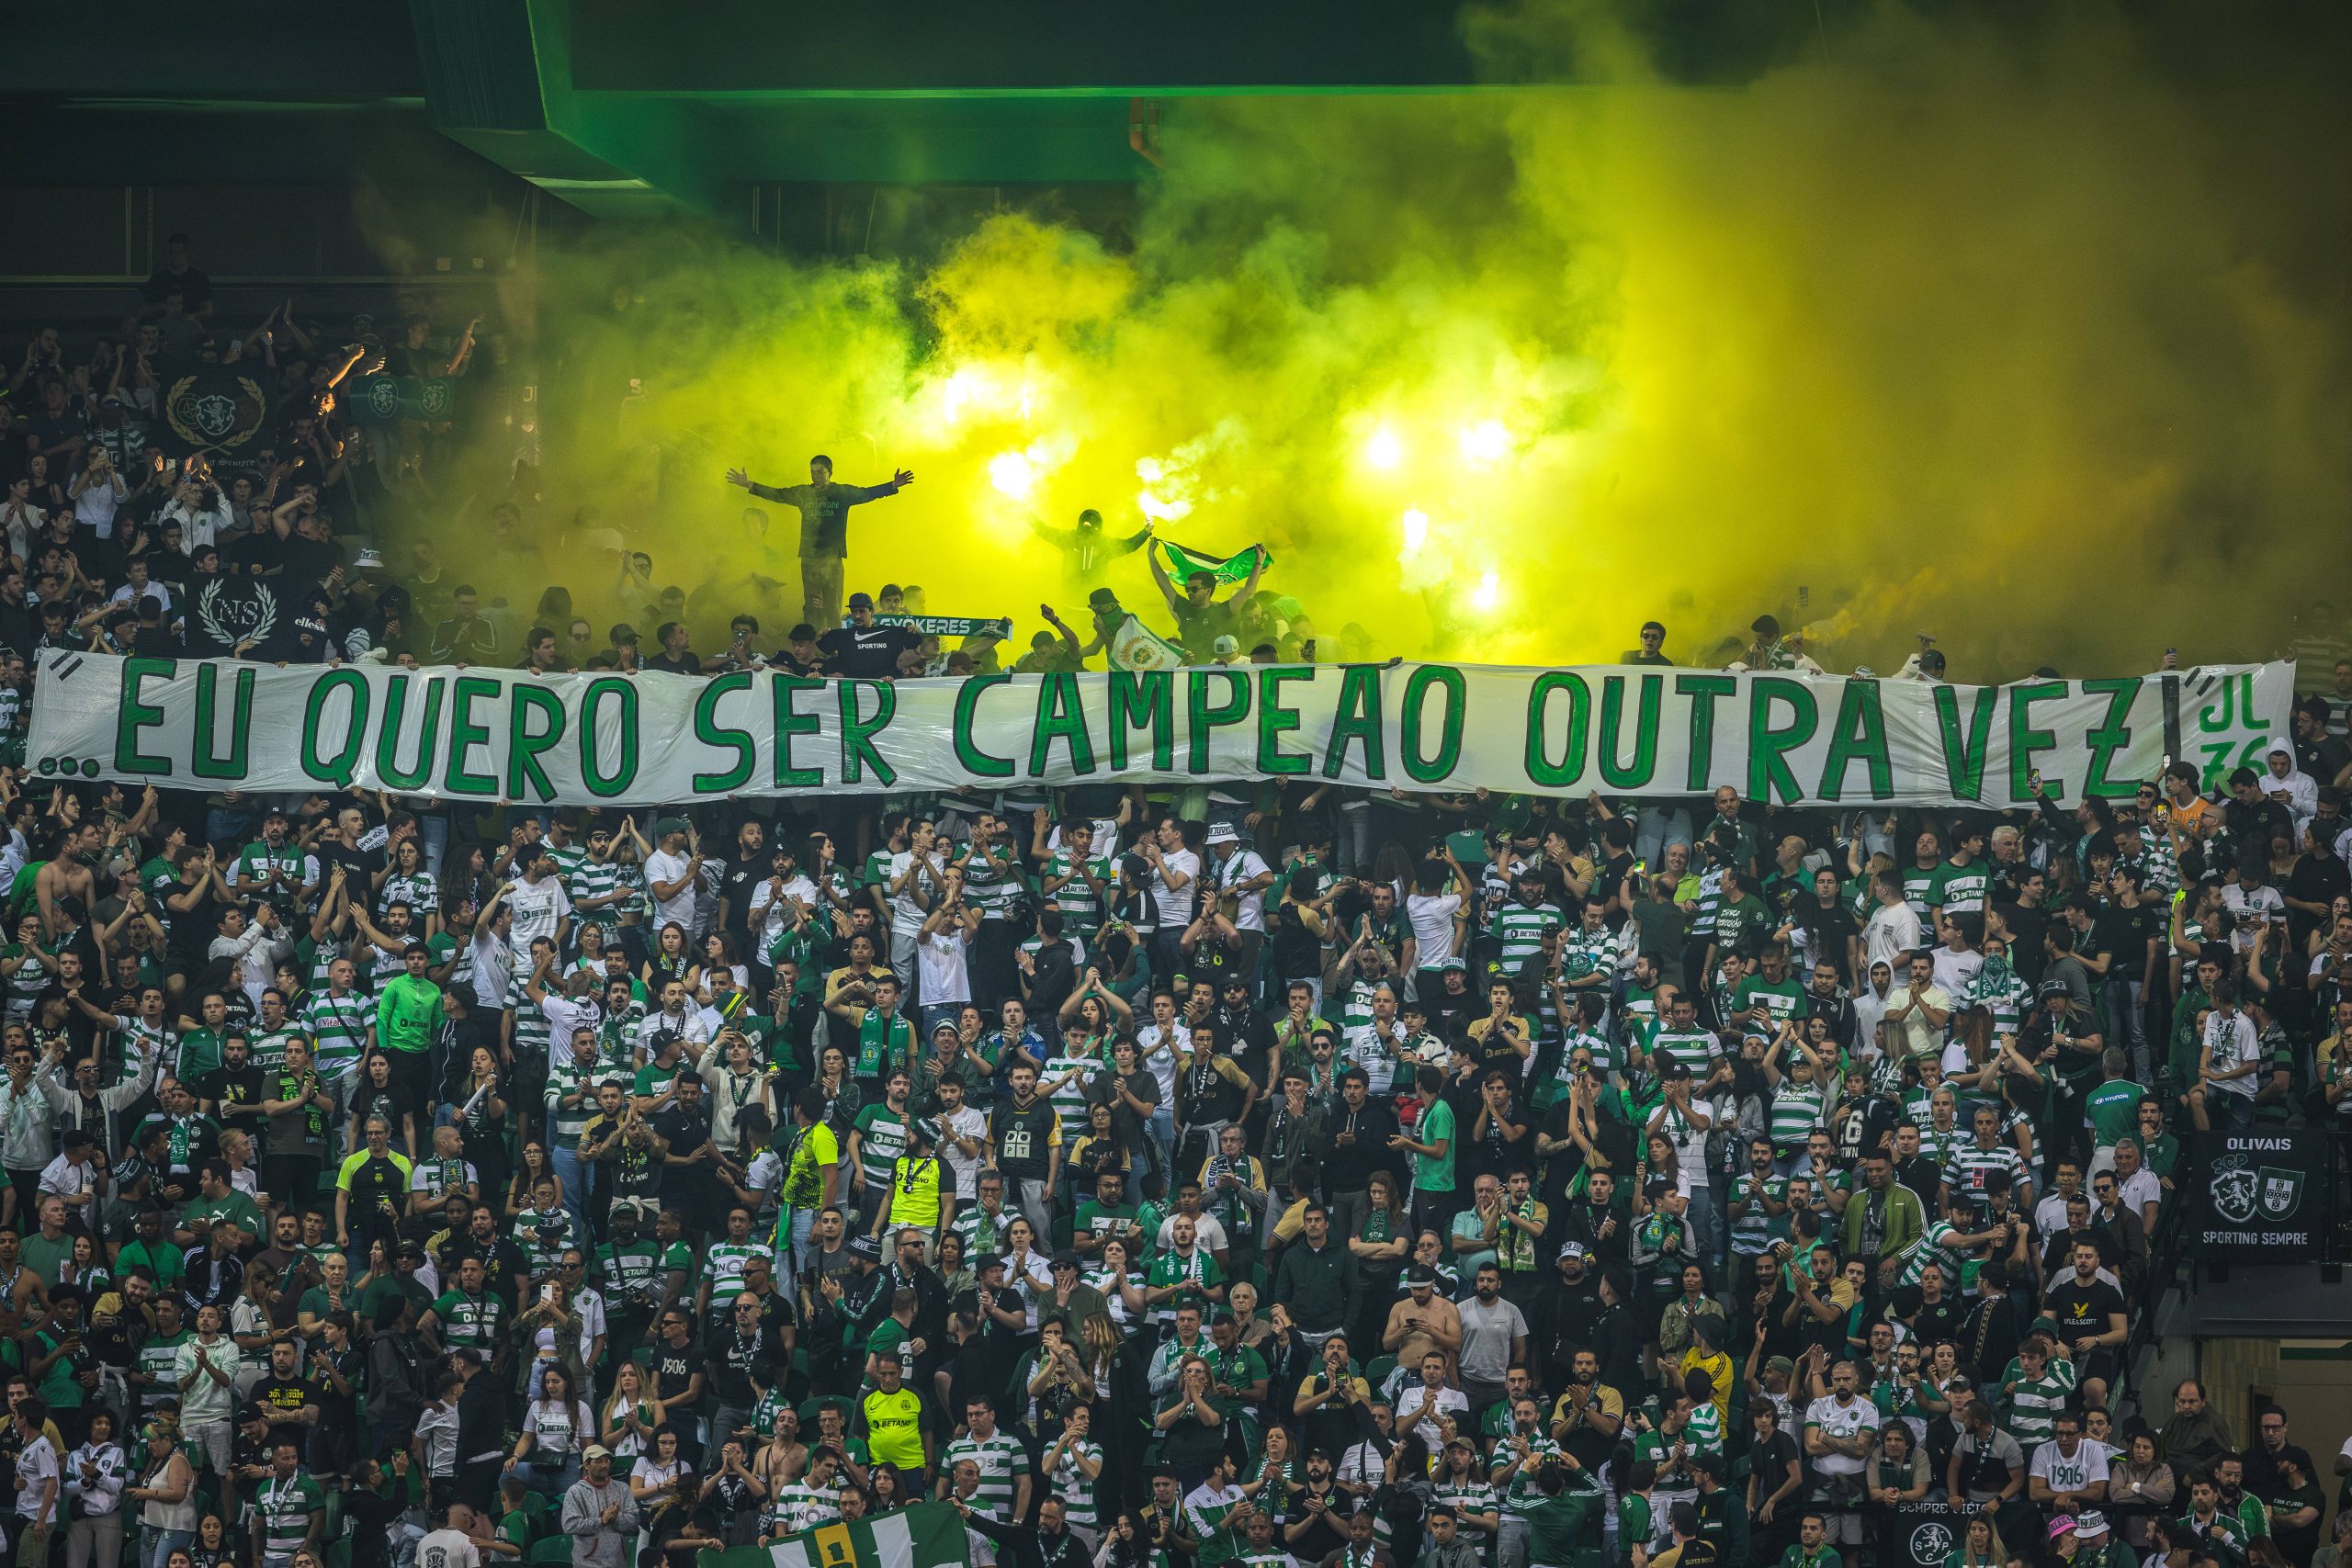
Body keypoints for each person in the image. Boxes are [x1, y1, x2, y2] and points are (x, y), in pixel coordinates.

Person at [726, 457, 914, 628]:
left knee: (832, 606)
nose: (816, 476)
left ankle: (834, 647)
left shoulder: (841, 493)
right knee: (812, 606)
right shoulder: (804, 493)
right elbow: (778, 494)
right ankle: (813, 643)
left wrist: (892, 485)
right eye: (813, 472)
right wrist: (749, 484)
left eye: (820, 472)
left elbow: (867, 493)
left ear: (830, 473)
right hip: (809, 558)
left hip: (833, 558)